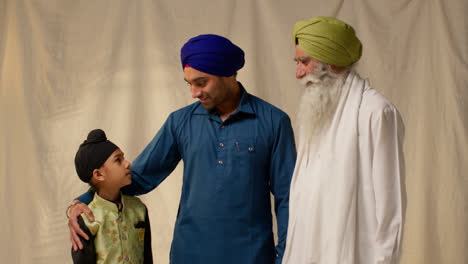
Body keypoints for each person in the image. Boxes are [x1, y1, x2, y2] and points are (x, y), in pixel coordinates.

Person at [68, 34, 297, 264]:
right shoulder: (180, 122)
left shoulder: (273, 122)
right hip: (189, 255)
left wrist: (285, 256)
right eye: (189, 84)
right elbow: (136, 178)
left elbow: (288, 198)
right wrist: (82, 203)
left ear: (227, 74)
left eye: (201, 82)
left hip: (251, 257)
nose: (194, 93)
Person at [282, 17, 406, 264]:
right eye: (297, 63)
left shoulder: (375, 111)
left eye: (304, 62)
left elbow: (390, 205)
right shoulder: (319, 112)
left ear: (332, 62)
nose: (298, 73)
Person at [71, 129, 152, 264]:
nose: (127, 164)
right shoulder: (87, 219)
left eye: (123, 158)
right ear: (99, 175)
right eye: (118, 160)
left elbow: (147, 257)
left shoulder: (139, 209)